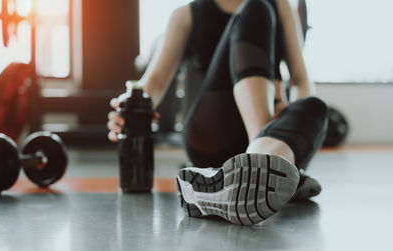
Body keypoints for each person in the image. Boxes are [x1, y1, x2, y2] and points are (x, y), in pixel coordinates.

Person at [107, 0, 328, 225]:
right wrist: (126, 108)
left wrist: (290, 108)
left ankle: (247, 172)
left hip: (274, 124)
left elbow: (301, 79)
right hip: (216, 132)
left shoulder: (281, 5)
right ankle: (265, 166)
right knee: (256, 7)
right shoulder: (185, 14)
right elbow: (154, 83)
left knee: (314, 106)